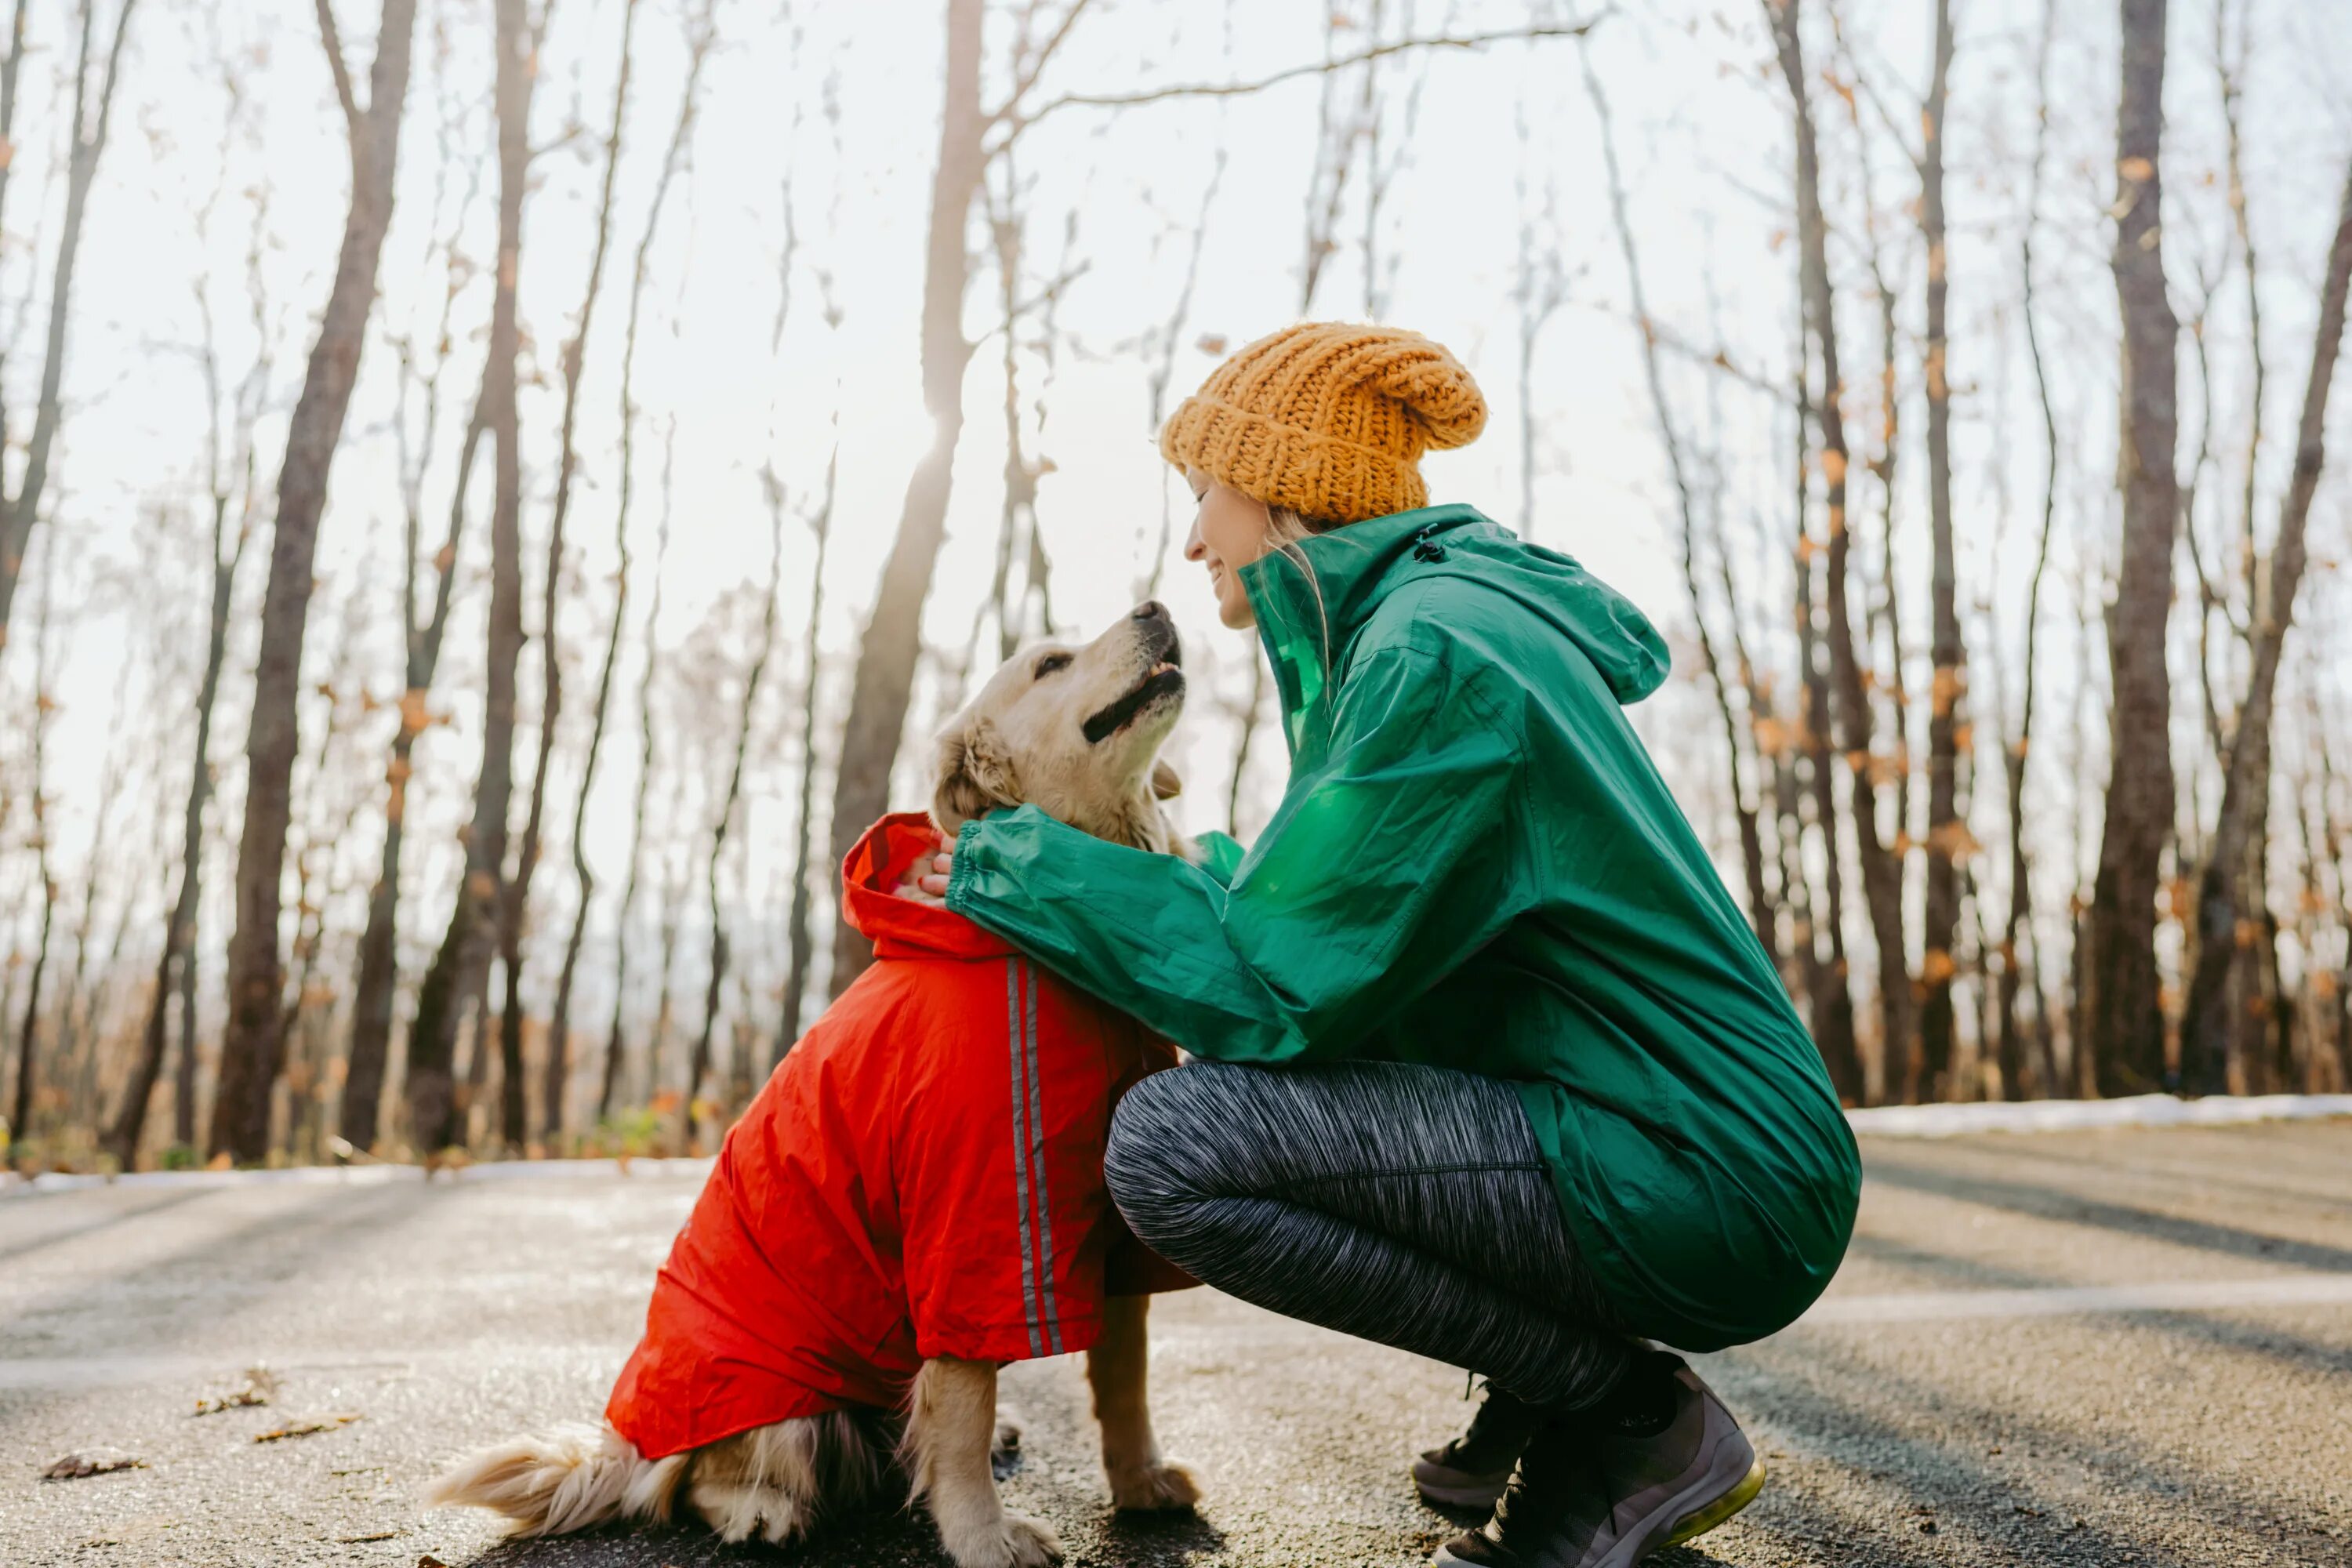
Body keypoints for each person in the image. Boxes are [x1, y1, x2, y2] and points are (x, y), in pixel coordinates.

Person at [906, 321, 1860, 1567]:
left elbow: (1275, 986)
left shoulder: (1434, 652)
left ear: (1285, 487)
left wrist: (1013, 863)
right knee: (1288, 1091)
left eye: (1206, 494)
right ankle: (1556, 1385)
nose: (1193, 538)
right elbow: (1345, 936)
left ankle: (1620, 1414)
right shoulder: (1425, 627)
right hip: (1656, 1129)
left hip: (1703, 1168)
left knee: (1174, 1148)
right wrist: (1177, 872)